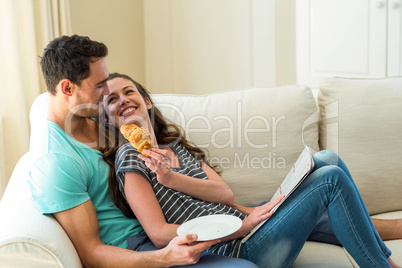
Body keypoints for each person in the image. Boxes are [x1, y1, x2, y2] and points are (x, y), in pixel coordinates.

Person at [100, 72, 402, 268]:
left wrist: (172, 178)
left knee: (326, 160)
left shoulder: (175, 146)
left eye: (129, 92)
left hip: (248, 228)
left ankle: (384, 260)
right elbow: (159, 233)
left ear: (147, 102)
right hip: (237, 248)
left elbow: (223, 194)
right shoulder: (130, 158)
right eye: (112, 100)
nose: (123, 100)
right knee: (330, 180)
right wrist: (241, 228)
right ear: (107, 118)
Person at [28, 35, 258, 268]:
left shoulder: (102, 121)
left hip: (172, 230)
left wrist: (243, 211)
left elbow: (188, 192)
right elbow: (91, 252)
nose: (107, 91)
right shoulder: (56, 163)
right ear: (67, 88)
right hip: (140, 250)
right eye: (100, 86)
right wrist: (164, 257)